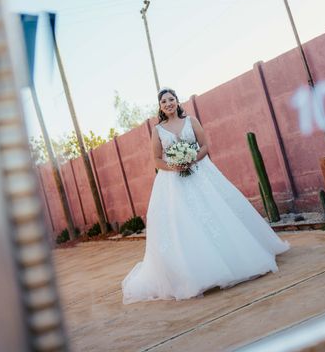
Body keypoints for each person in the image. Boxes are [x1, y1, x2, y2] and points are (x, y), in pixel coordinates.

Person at [122, 88, 290, 303]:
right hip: (173, 182)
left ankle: (239, 260)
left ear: (177, 101)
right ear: (160, 106)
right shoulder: (158, 130)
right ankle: (198, 273)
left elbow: (205, 146)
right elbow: (156, 159)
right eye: (164, 101)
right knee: (185, 222)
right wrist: (175, 166)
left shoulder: (191, 120)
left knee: (217, 211)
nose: (168, 103)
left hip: (201, 172)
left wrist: (192, 159)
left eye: (171, 99)